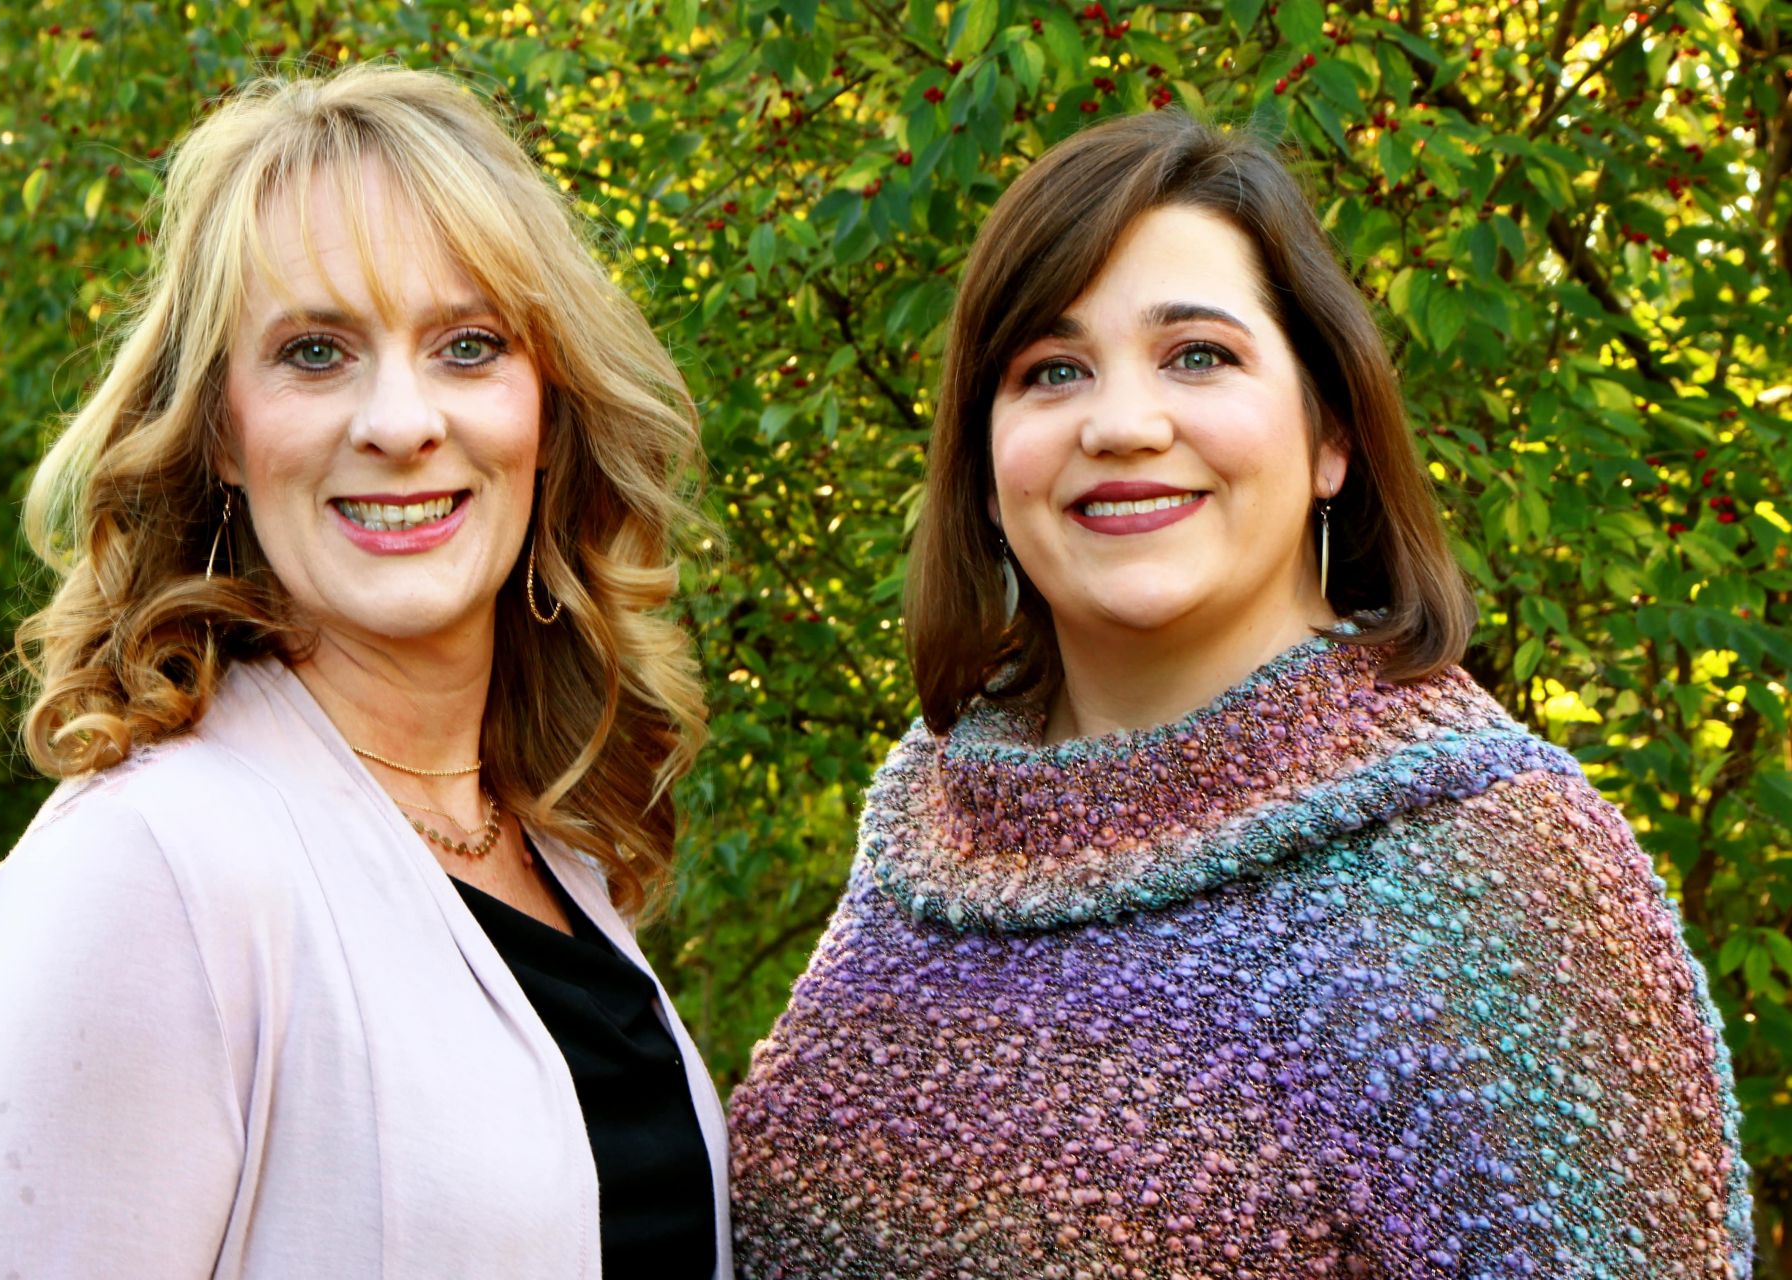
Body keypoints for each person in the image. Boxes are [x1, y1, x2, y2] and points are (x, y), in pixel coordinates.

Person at [728, 110, 1752, 1277]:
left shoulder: (1496, 868)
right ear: (984, 455)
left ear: (1331, 433)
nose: (1122, 423)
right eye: (1051, 371)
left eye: (1199, 355)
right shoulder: (934, 820)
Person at [0, 65, 727, 1278]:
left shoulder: (545, 839)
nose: (401, 421)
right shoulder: (146, 869)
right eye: (316, 351)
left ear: (545, 410)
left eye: (468, 345)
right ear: (219, 432)